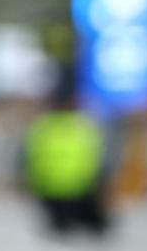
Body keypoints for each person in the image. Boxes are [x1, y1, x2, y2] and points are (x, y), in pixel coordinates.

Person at [25, 70, 110, 239]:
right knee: (94, 224)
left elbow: (30, 160)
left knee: (63, 226)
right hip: (80, 189)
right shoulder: (84, 126)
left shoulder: (43, 126)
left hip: (50, 190)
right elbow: (99, 161)